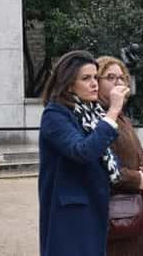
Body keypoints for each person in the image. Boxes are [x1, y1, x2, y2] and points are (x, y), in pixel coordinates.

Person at [38, 50, 129, 256]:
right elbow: (82, 152)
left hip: (94, 207)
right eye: (86, 78)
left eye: (95, 77)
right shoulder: (55, 114)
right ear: (68, 84)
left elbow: (105, 156)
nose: (94, 84)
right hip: (70, 214)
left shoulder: (91, 113)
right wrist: (112, 111)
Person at [96, 55, 143, 256]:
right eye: (110, 77)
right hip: (117, 211)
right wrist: (137, 179)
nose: (118, 82)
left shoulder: (123, 117)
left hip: (137, 207)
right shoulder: (97, 118)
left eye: (121, 77)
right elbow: (102, 165)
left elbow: (140, 151)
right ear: (97, 82)